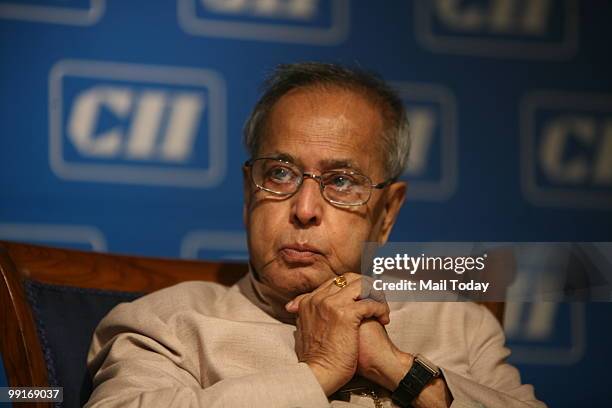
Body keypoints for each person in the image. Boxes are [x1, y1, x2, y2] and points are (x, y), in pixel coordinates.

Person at [85, 62, 546, 408]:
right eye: (281, 174)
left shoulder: (460, 325)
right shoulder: (166, 327)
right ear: (249, 194)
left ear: (387, 213)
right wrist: (318, 372)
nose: (304, 210)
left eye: (341, 182)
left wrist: (398, 370)